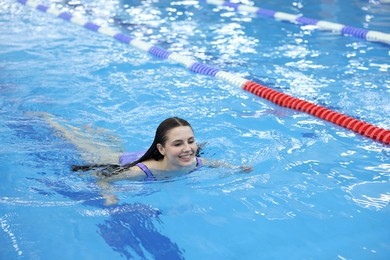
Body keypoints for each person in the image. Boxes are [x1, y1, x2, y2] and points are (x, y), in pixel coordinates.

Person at [37, 113, 252, 205]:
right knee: (75, 141)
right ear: (162, 148)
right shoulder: (141, 172)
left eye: (191, 141)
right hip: (123, 160)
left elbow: (214, 164)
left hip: (144, 155)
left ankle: (93, 130)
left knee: (109, 139)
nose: (188, 149)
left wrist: (237, 169)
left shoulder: (195, 162)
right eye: (178, 144)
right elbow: (103, 177)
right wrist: (109, 196)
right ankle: (51, 120)